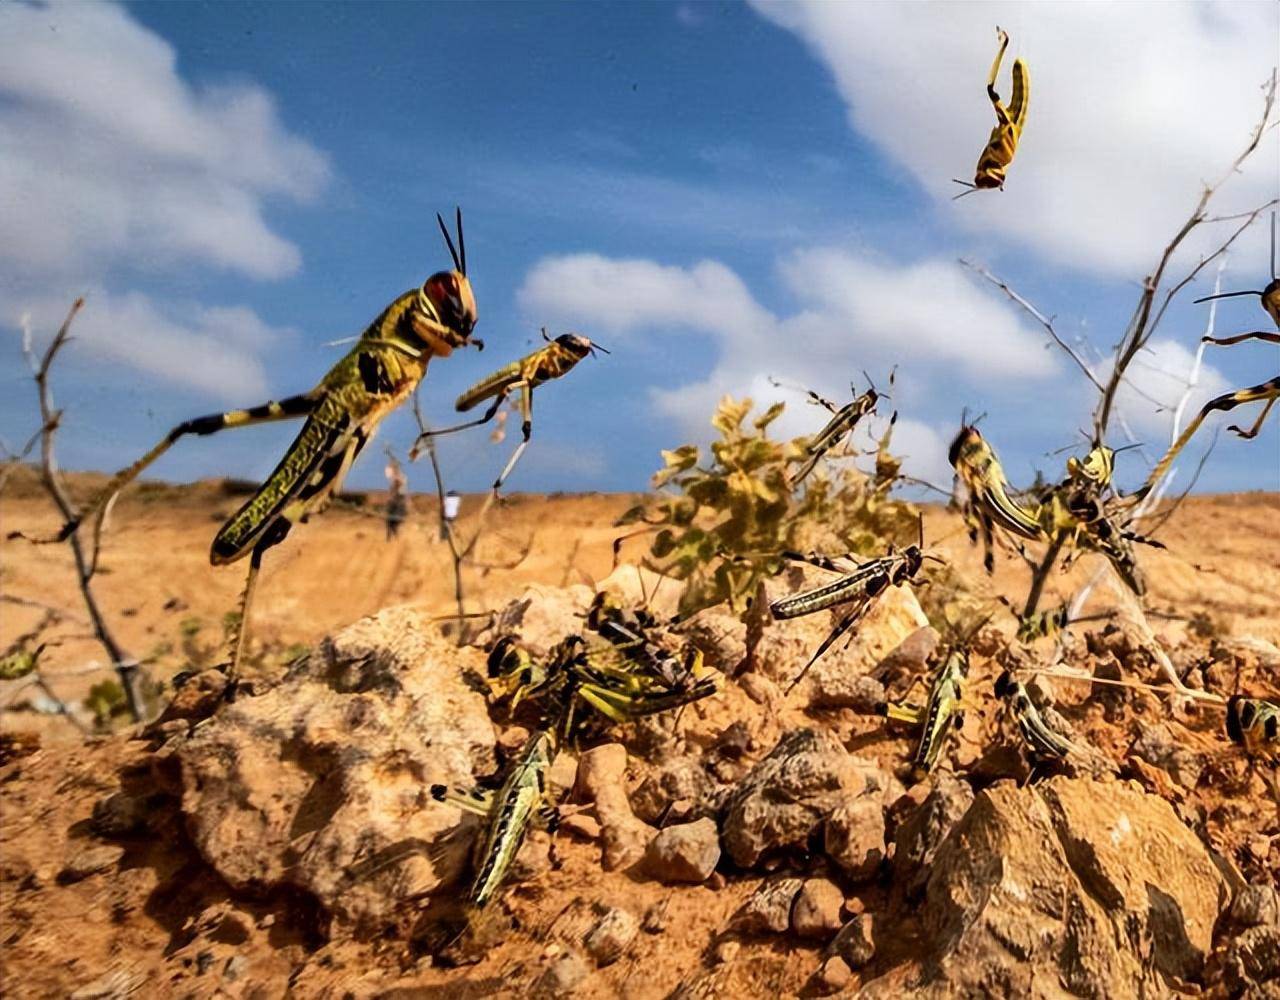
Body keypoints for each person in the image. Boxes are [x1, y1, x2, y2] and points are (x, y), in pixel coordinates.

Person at [384, 455, 407, 540]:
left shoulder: (401, 479)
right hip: (393, 504)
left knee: (394, 524)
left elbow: (401, 490)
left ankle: (395, 539)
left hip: (398, 505)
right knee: (389, 524)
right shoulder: (395, 481)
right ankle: (390, 539)